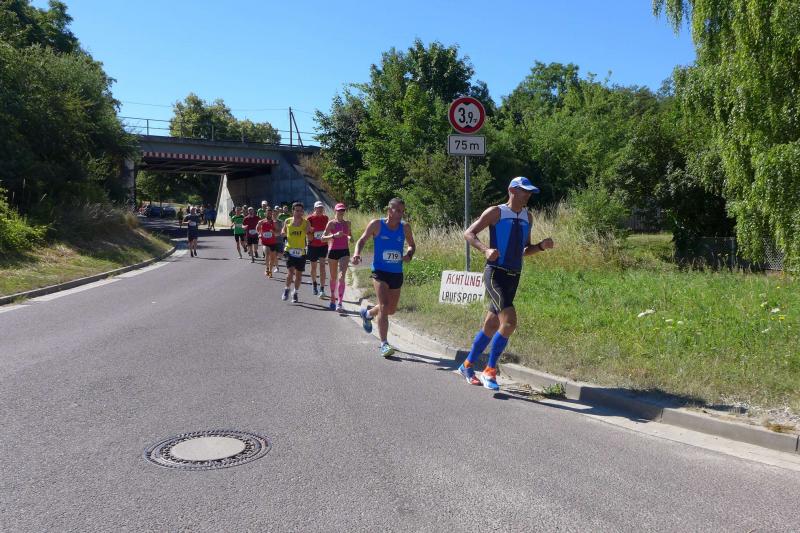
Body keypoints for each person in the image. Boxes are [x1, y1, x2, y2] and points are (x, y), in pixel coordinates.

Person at [458, 176, 555, 390]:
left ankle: (467, 365)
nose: (527, 195)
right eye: (524, 191)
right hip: (495, 273)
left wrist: (541, 246)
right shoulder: (496, 212)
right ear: (512, 190)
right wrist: (485, 250)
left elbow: (524, 249)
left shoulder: (528, 217)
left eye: (529, 192)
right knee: (509, 322)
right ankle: (490, 370)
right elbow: (469, 233)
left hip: (514, 276)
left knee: (492, 324)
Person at [352, 198, 416, 357]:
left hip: (396, 272)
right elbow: (362, 240)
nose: (400, 214)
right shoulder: (377, 224)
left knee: (390, 310)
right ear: (389, 210)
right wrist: (357, 253)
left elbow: (412, 245)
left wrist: (409, 254)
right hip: (380, 271)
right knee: (383, 305)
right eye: (397, 210)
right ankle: (384, 344)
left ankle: (367, 314)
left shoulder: (405, 227)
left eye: (402, 211)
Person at [321, 203, 351, 312]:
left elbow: (349, 234)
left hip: (344, 251)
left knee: (341, 276)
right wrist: (334, 235)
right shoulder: (331, 223)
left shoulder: (348, 223)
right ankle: (333, 297)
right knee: (333, 277)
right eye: (339, 210)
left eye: (343, 210)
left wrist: (350, 237)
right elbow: (322, 238)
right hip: (333, 251)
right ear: (335, 211)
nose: (341, 212)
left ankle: (340, 303)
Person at [281, 202, 312, 303]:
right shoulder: (287, 221)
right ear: (293, 211)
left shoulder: (306, 223)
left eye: (301, 211)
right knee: (290, 272)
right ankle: (287, 289)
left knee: (298, 275)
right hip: (289, 250)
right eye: (297, 211)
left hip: (301, 252)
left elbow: (310, 237)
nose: (299, 213)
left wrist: (310, 232)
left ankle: (295, 292)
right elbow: (283, 231)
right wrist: (283, 234)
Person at [306, 201, 329, 298]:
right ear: (314, 208)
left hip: (323, 245)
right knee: (314, 267)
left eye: (321, 208)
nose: (320, 209)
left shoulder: (326, 218)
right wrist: (310, 232)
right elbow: (306, 232)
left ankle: (322, 289)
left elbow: (327, 230)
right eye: (318, 208)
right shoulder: (310, 218)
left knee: (323, 267)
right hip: (313, 246)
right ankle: (314, 284)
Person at [257, 207, 279, 277]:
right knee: (267, 254)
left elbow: (277, 232)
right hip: (265, 242)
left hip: (272, 242)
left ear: (272, 214)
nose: (269, 214)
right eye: (268, 213)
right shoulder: (261, 221)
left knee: (272, 258)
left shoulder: (274, 222)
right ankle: (267, 268)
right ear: (265, 213)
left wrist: (273, 232)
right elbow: (257, 229)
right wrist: (259, 232)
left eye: (270, 213)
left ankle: (270, 270)